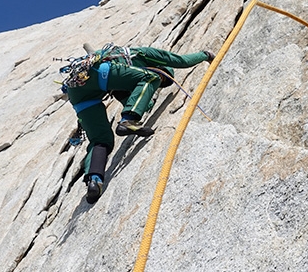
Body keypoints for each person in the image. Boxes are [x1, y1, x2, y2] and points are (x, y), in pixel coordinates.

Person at [63, 45, 214, 204]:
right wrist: (205, 55)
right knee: (150, 78)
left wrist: (146, 105)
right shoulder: (145, 54)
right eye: (163, 78)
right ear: (159, 67)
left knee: (101, 139)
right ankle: (128, 120)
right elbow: (181, 61)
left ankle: (94, 181)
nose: (160, 83)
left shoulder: (124, 79)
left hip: (78, 90)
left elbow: (132, 102)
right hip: (99, 72)